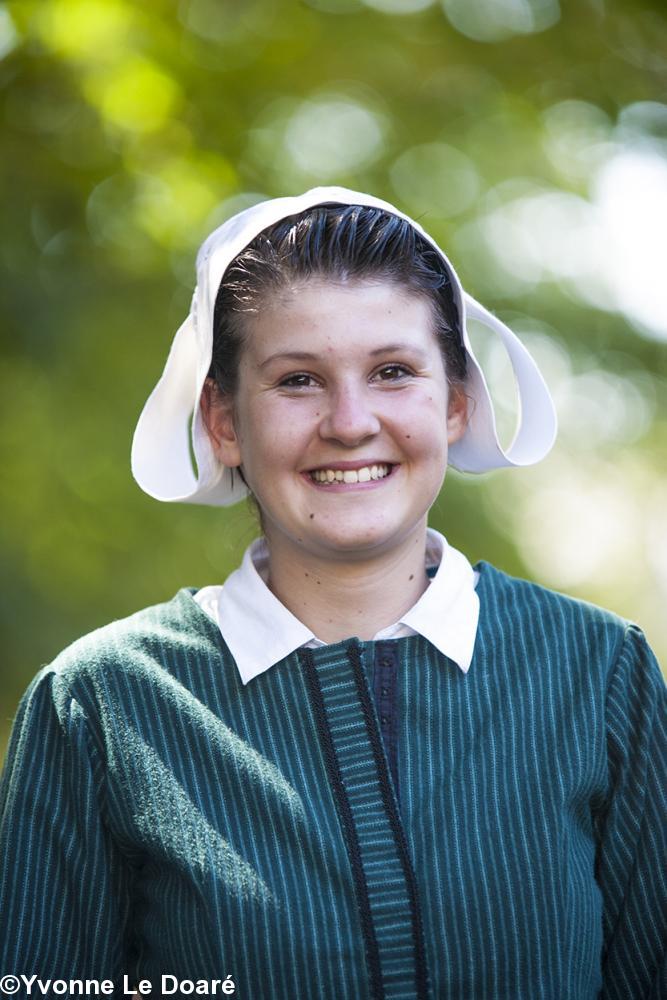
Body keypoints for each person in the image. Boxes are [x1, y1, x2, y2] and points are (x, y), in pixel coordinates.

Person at [1, 186, 665, 999]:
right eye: (297, 381)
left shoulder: (597, 673)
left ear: (455, 401)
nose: (350, 422)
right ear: (222, 420)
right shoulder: (100, 706)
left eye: (393, 371)